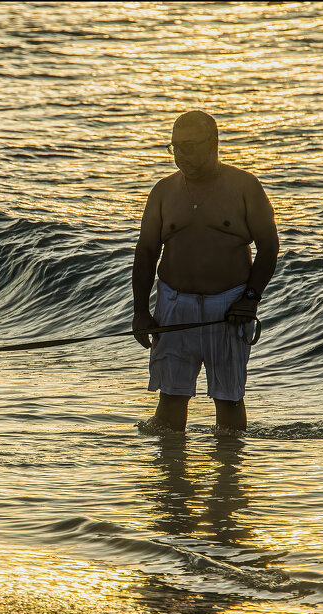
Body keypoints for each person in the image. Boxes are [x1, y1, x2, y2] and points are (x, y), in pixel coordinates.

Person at [131, 111, 279, 433]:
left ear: (214, 143)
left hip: (228, 308)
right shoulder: (163, 192)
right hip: (173, 305)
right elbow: (145, 253)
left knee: (228, 401)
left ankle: (229, 474)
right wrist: (141, 311)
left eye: (190, 146)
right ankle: (170, 476)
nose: (181, 155)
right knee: (170, 401)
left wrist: (250, 299)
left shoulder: (244, 187)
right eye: (175, 148)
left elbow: (269, 247)